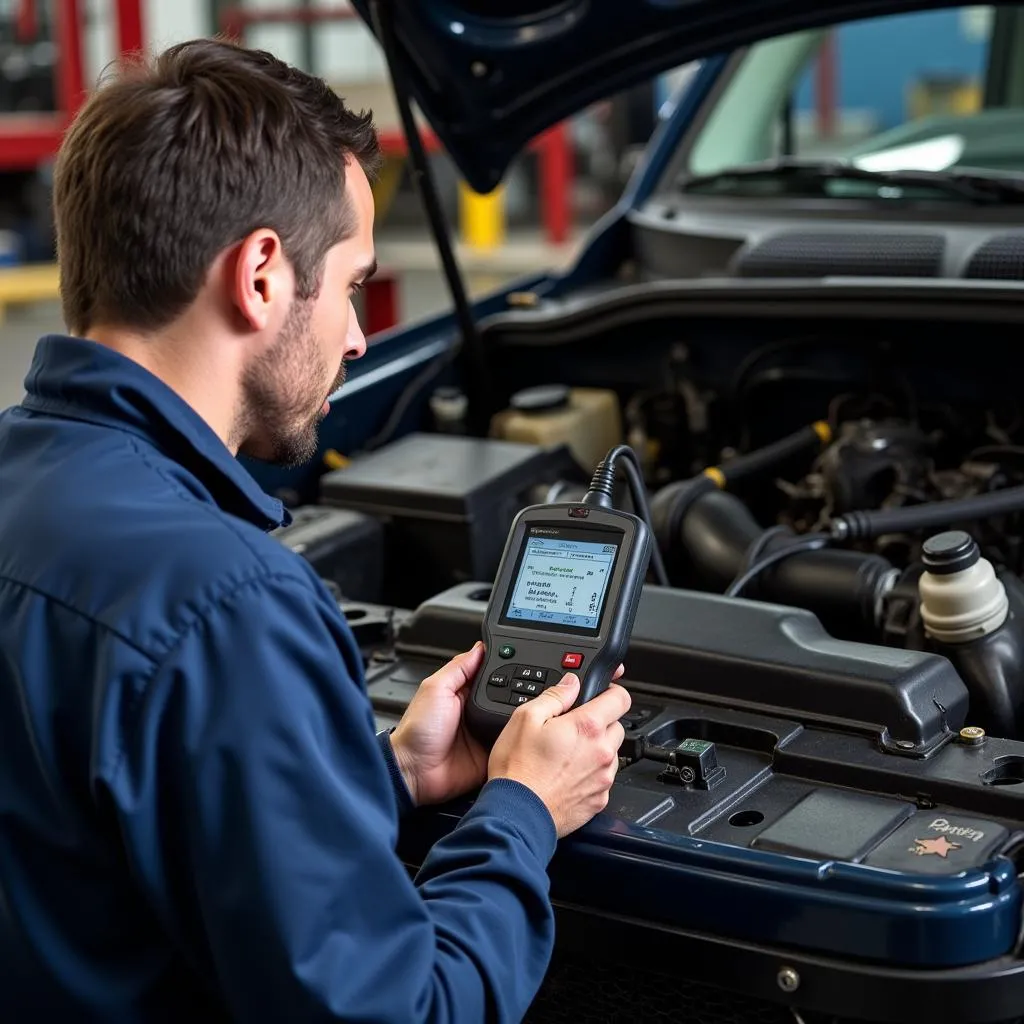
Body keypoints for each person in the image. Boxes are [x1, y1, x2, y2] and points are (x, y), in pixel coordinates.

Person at [0, 38, 631, 1023]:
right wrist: (520, 812)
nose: (358, 334)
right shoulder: (223, 604)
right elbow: (402, 1010)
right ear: (260, 274)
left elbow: (102, 835)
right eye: (348, 284)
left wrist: (377, 774)